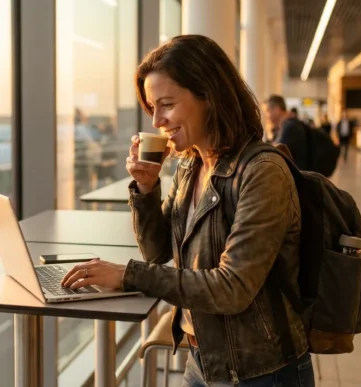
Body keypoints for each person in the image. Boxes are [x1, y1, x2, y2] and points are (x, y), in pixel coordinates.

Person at [61, 35, 313, 386]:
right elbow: (158, 251)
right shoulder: (191, 167)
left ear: (208, 96)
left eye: (166, 105)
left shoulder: (261, 172)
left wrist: (127, 275)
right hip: (202, 360)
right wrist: (147, 188)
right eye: (153, 108)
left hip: (260, 372)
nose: (157, 121)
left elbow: (232, 287)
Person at [266, 95, 309, 170]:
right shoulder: (286, 125)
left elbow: (273, 154)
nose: (267, 116)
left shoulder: (289, 127)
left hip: (297, 177)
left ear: (276, 109)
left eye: (268, 111)